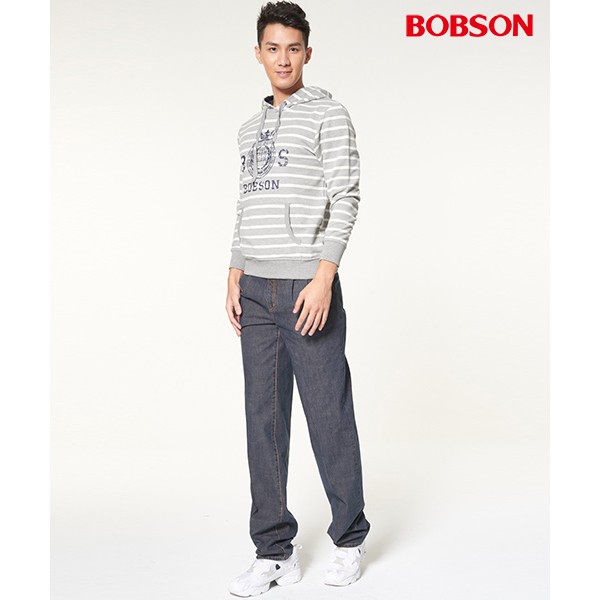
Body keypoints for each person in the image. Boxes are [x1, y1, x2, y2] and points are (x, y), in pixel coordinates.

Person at [224, 2, 370, 596]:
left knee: (328, 414)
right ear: (258, 53)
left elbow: (347, 195)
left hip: (307, 287)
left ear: (307, 53)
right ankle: (273, 551)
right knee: (263, 422)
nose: (282, 59)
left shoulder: (329, 114)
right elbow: (246, 203)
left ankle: (349, 540)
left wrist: (324, 276)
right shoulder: (248, 129)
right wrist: (234, 271)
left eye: (292, 48)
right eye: (272, 48)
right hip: (255, 292)